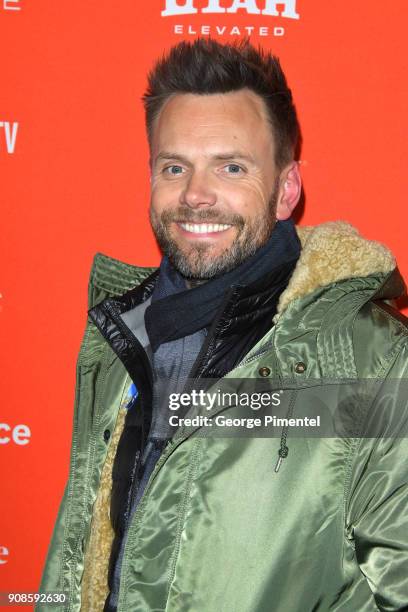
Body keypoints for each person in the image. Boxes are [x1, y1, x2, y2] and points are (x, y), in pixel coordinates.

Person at [38, 39, 408, 612]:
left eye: (231, 166)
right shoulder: (118, 339)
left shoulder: (375, 364)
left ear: (286, 190)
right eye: (174, 167)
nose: (195, 195)